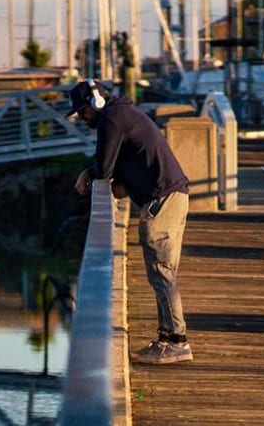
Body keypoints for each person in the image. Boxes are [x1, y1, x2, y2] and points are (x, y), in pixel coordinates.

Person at [67, 79, 193, 365]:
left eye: (82, 110)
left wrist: (87, 173)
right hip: (171, 196)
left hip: (162, 200)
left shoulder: (111, 118)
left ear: (95, 103)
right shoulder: (123, 113)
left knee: (162, 272)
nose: (81, 117)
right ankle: (167, 339)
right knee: (162, 271)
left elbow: (103, 168)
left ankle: (177, 342)